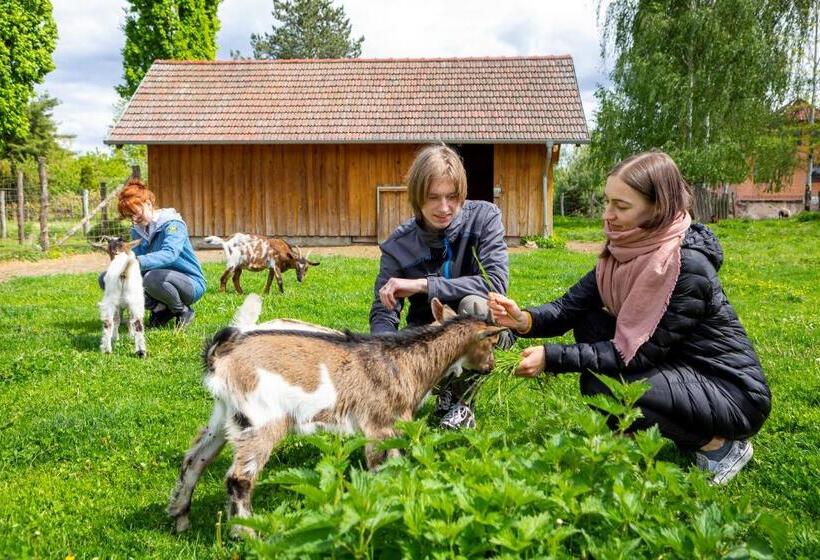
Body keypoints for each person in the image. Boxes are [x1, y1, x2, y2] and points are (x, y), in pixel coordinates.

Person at [489, 151, 770, 485]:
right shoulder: (624, 251)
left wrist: (552, 357)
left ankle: (719, 446)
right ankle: (634, 432)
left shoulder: (685, 267)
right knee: (591, 323)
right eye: (607, 202)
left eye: (621, 206)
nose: (607, 215)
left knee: (604, 385)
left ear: (657, 207)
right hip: (677, 367)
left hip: (730, 392)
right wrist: (524, 320)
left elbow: (637, 354)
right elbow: (570, 307)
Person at [370, 144, 512, 429]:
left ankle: (461, 405)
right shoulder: (399, 244)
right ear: (416, 196)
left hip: (486, 327)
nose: (444, 208)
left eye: (452, 196)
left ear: (462, 194)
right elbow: (384, 311)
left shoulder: (485, 218)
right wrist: (384, 355)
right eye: (433, 197)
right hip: (430, 333)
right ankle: (438, 387)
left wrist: (424, 285)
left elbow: (495, 282)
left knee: (473, 305)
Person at [99, 178, 206, 328]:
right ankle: (159, 309)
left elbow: (170, 253)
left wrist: (137, 262)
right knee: (107, 277)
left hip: (189, 283)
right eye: (130, 216)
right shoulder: (137, 230)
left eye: (136, 213)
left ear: (148, 204)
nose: (134, 219)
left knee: (151, 277)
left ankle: (182, 310)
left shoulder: (173, 225)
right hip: (155, 281)